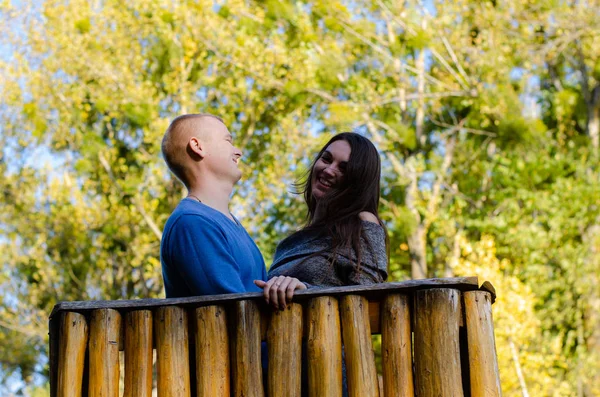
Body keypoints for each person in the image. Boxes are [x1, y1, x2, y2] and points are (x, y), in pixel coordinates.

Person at [255, 132, 388, 309]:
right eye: (326, 159)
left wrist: (306, 290)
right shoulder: (291, 241)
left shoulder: (363, 222)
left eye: (343, 168)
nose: (329, 170)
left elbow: (367, 297)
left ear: (358, 181)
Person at [160, 113, 270, 298]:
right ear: (198, 146)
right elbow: (234, 316)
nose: (238, 152)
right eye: (228, 141)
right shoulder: (193, 223)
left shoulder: (226, 222)